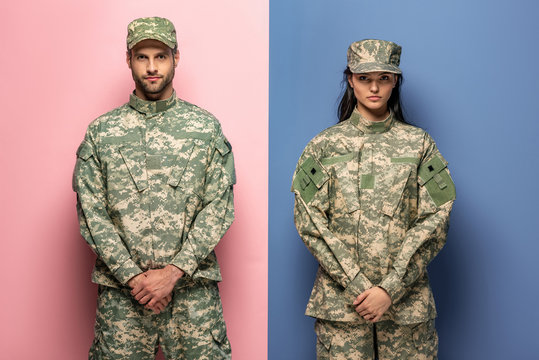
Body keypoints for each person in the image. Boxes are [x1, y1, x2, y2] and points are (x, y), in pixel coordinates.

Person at [73, 17, 235, 359]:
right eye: (141, 56)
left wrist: (173, 273)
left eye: (160, 56)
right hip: (122, 299)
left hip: (192, 295)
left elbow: (218, 205)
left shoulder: (205, 129)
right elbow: (91, 211)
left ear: (176, 58)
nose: (151, 67)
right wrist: (134, 278)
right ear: (128, 60)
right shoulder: (102, 132)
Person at [292, 39, 455, 359]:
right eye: (365, 78)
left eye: (384, 78)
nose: (375, 87)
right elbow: (309, 220)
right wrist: (356, 284)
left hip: (407, 310)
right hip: (342, 309)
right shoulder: (323, 146)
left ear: (395, 81)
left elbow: (437, 217)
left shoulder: (419, 144)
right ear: (351, 79)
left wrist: (390, 289)